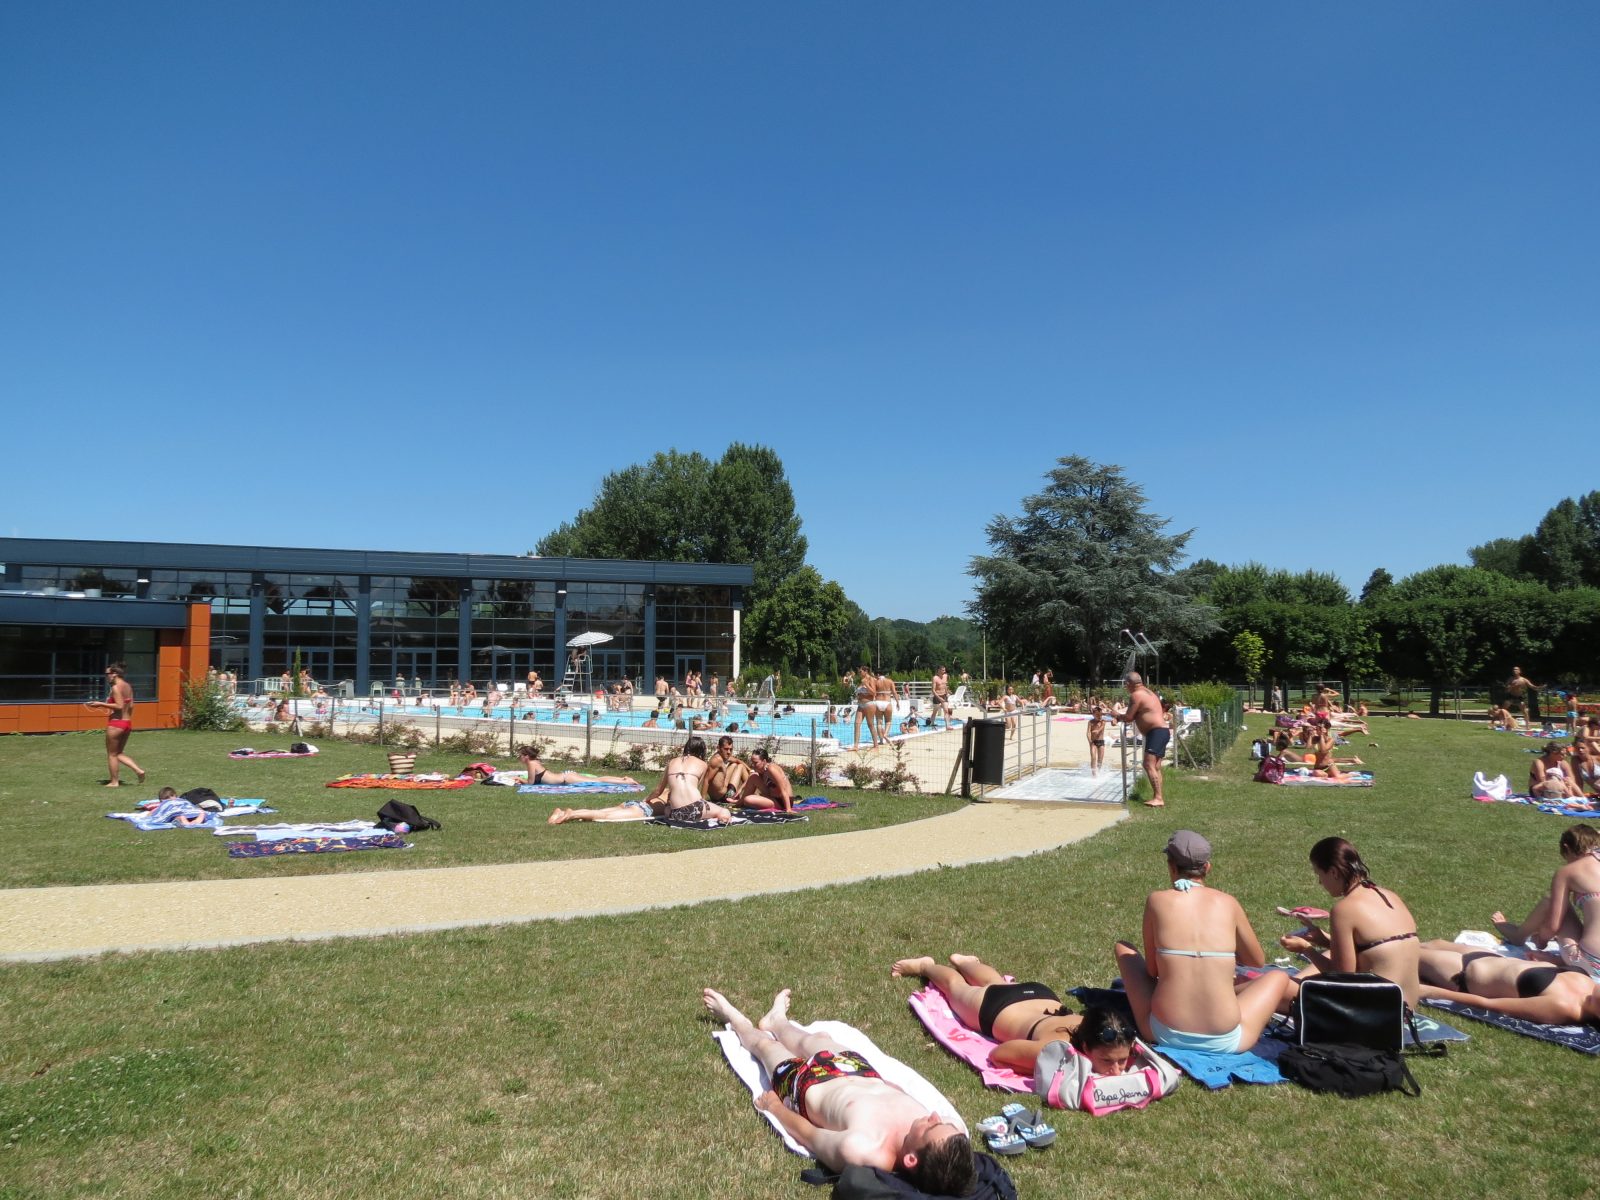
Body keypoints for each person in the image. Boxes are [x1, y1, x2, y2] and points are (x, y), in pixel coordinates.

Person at [703, 987, 975, 1193]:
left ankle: (735, 1020)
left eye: (930, 1127)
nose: (936, 1117)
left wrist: (774, 1107)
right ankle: (777, 1022)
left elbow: (810, 1135)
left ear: (912, 1158)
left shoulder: (863, 1149)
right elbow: (950, 1131)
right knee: (816, 1039)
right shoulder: (948, 1134)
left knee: (765, 1049)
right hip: (857, 1070)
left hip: (805, 1084)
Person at [1114, 831, 1293, 1055]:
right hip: (1227, 1040)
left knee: (1123, 947)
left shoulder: (1157, 900)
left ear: (1171, 866)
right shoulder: (1228, 903)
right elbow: (1256, 962)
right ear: (1207, 867)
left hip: (1164, 1031)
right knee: (1279, 976)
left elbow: (1151, 971)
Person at [1277, 837, 1421, 1008]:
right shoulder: (1391, 896)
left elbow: (1342, 979)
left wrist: (1306, 949)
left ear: (1333, 872)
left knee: (1274, 987)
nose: (1319, 882)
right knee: (1325, 958)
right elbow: (1375, 952)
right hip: (1404, 1013)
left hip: (1370, 1014)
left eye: (1319, 874)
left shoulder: (1344, 909)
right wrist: (1323, 940)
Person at [890, 953, 1080, 1074]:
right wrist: (1035, 1070)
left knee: (996, 981)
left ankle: (963, 963)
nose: (1111, 1068)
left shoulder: (1099, 1024)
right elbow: (998, 1055)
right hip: (994, 1007)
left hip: (1039, 994)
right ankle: (925, 966)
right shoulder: (1055, 1049)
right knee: (955, 987)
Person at [1492, 824, 1600, 980]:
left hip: (1593, 963)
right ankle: (1559, 960)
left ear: (1566, 848)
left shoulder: (1568, 872)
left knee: (1551, 901)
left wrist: (1541, 940)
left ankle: (1519, 935)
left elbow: (1553, 926)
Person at [1417, 940, 1600, 1026]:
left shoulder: (1565, 1007)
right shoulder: (1591, 986)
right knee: (1429, 943)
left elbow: (1490, 1005)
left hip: (1462, 974)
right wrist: (1548, 959)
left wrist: (1428, 991)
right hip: (1490, 957)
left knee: (1403, 950)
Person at [1112, 672, 1168, 807]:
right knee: (1156, 766)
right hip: (1162, 732)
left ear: (1128, 684)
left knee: (1148, 764)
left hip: (1156, 732)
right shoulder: (1148, 692)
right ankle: (1158, 796)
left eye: (1126, 685)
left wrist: (1116, 715)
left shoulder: (1136, 695)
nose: (1126, 687)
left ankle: (1158, 798)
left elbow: (1129, 717)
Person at [85, 663, 145, 787]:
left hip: (116, 724)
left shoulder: (116, 687)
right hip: (127, 723)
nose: (106, 676)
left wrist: (99, 704)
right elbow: (131, 705)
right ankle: (139, 770)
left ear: (114, 674)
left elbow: (119, 705)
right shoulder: (128, 686)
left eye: (107, 673)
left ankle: (114, 782)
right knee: (118, 753)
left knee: (112, 754)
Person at [653, 736, 731, 824]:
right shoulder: (703, 764)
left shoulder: (672, 762)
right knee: (724, 811)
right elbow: (696, 787)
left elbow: (658, 791)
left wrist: (646, 800)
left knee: (667, 808)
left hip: (675, 813)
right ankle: (723, 819)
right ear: (702, 750)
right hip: (695, 809)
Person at [516, 748, 639, 787]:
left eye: (521, 755)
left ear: (527, 756)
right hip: (566, 776)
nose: (519, 758)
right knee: (598, 779)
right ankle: (623, 779)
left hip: (567, 778)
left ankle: (627, 782)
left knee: (598, 781)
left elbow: (531, 783)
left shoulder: (531, 764)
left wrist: (521, 779)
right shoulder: (534, 762)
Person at [735, 747, 795, 812]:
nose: (753, 765)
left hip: (783, 801)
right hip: (773, 797)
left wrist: (788, 809)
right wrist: (740, 789)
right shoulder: (762, 770)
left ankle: (741, 802)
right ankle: (740, 802)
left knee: (747, 799)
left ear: (764, 761)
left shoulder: (771, 769)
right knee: (753, 776)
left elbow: (783, 790)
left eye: (755, 763)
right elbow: (750, 779)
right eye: (752, 762)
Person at [547, 796, 664, 824]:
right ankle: (571, 814)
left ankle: (561, 813)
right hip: (643, 809)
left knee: (603, 812)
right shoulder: (675, 794)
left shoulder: (668, 789)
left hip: (636, 802)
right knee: (604, 816)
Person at [703, 736, 751, 803]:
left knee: (735, 764)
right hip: (724, 797)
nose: (728, 752)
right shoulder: (717, 760)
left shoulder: (722, 756)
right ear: (718, 748)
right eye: (726, 749)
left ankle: (750, 793)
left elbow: (737, 760)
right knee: (741, 767)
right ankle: (751, 794)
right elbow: (706, 780)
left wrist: (750, 770)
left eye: (730, 749)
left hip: (722, 794)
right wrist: (702, 801)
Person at [1087, 704, 1107, 775]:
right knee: (1093, 757)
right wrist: (1089, 741)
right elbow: (1088, 732)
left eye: (1100, 715)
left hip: (1101, 742)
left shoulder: (1103, 721)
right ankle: (1094, 774)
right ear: (1093, 715)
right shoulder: (1090, 722)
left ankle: (1098, 771)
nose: (1099, 716)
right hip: (1093, 742)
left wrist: (1097, 731)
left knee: (1100, 760)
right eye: (1097, 715)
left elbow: (1101, 728)